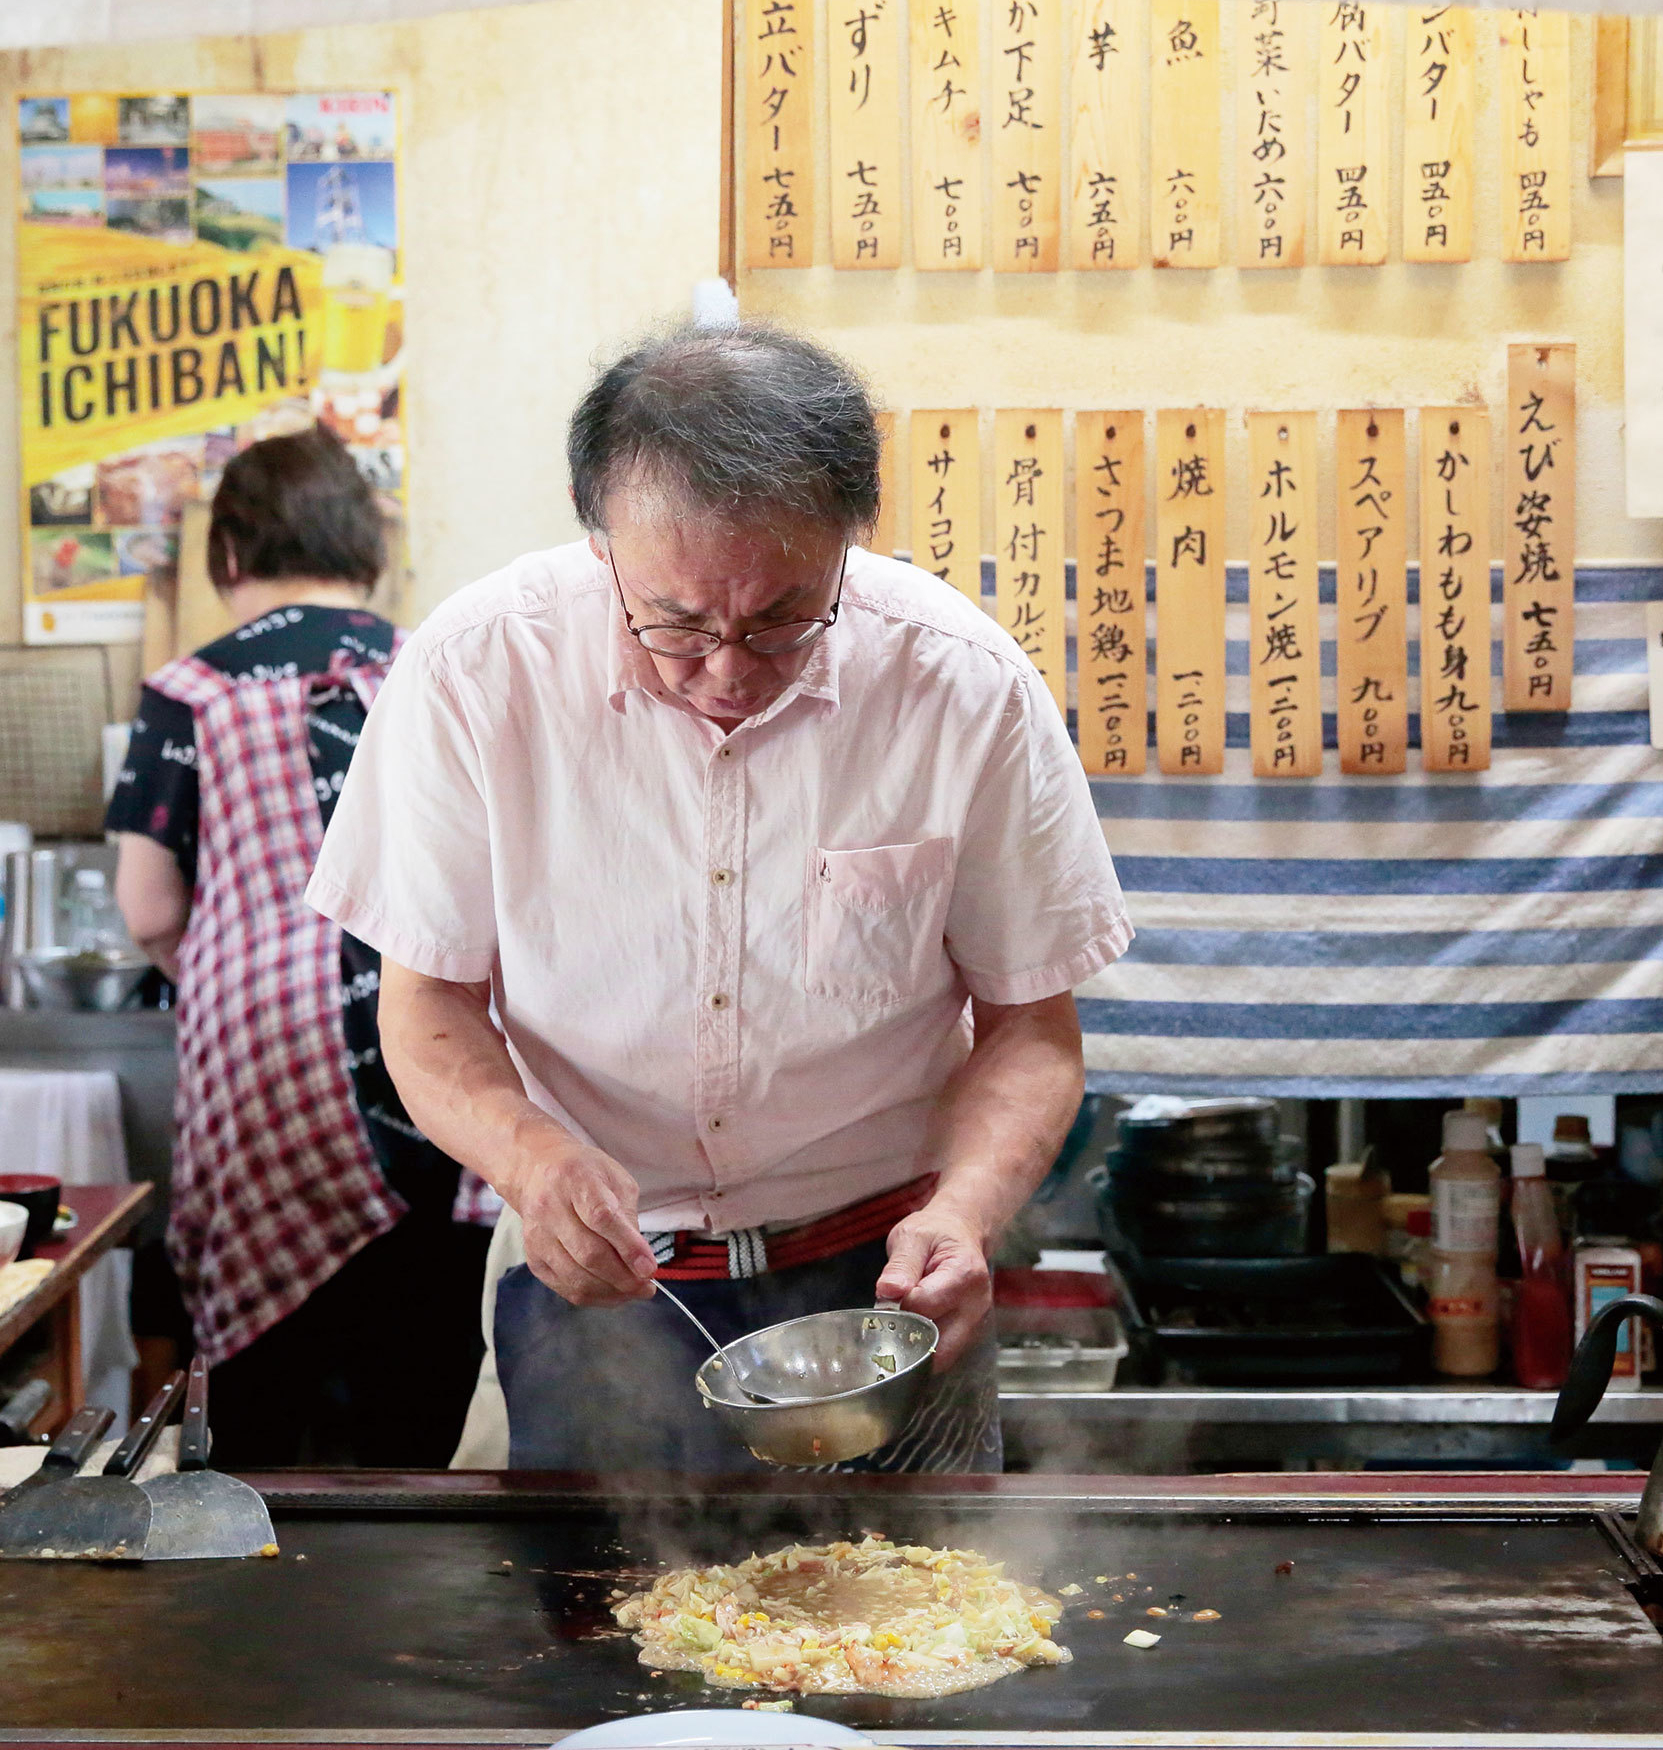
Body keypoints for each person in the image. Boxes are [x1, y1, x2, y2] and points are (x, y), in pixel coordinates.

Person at [307, 323, 1130, 1471]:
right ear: (602, 544)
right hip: (591, 1287)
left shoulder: (962, 686)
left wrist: (965, 1214)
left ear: (851, 542)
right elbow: (427, 1007)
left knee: (927, 1630)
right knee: (580, 1635)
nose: (729, 669)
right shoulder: (474, 672)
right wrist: (537, 1162)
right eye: (678, 622)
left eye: (784, 618)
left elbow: (1032, 1029)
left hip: (879, 1289)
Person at [108, 427, 487, 1466]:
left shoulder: (189, 689)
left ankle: (258, 1610)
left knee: (267, 1418)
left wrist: (235, 963)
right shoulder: (434, 668)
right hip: (443, 1060)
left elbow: (147, 907)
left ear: (226, 557)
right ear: (368, 550)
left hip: (261, 1072)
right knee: (418, 1404)